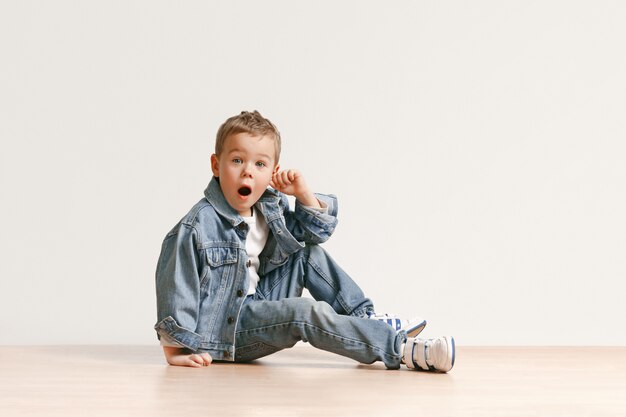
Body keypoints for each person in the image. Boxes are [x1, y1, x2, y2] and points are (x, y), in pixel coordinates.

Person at [154, 110, 455, 372]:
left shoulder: (268, 206)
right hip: (226, 331)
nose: (247, 170)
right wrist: (177, 349)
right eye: (237, 160)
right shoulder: (196, 226)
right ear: (216, 165)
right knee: (303, 312)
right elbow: (176, 285)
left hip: (256, 303)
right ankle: (400, 349)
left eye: (259, 164)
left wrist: (303, 195)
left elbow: (316, 235)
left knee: (306, 253)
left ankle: (366, 320)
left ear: (272, 173)